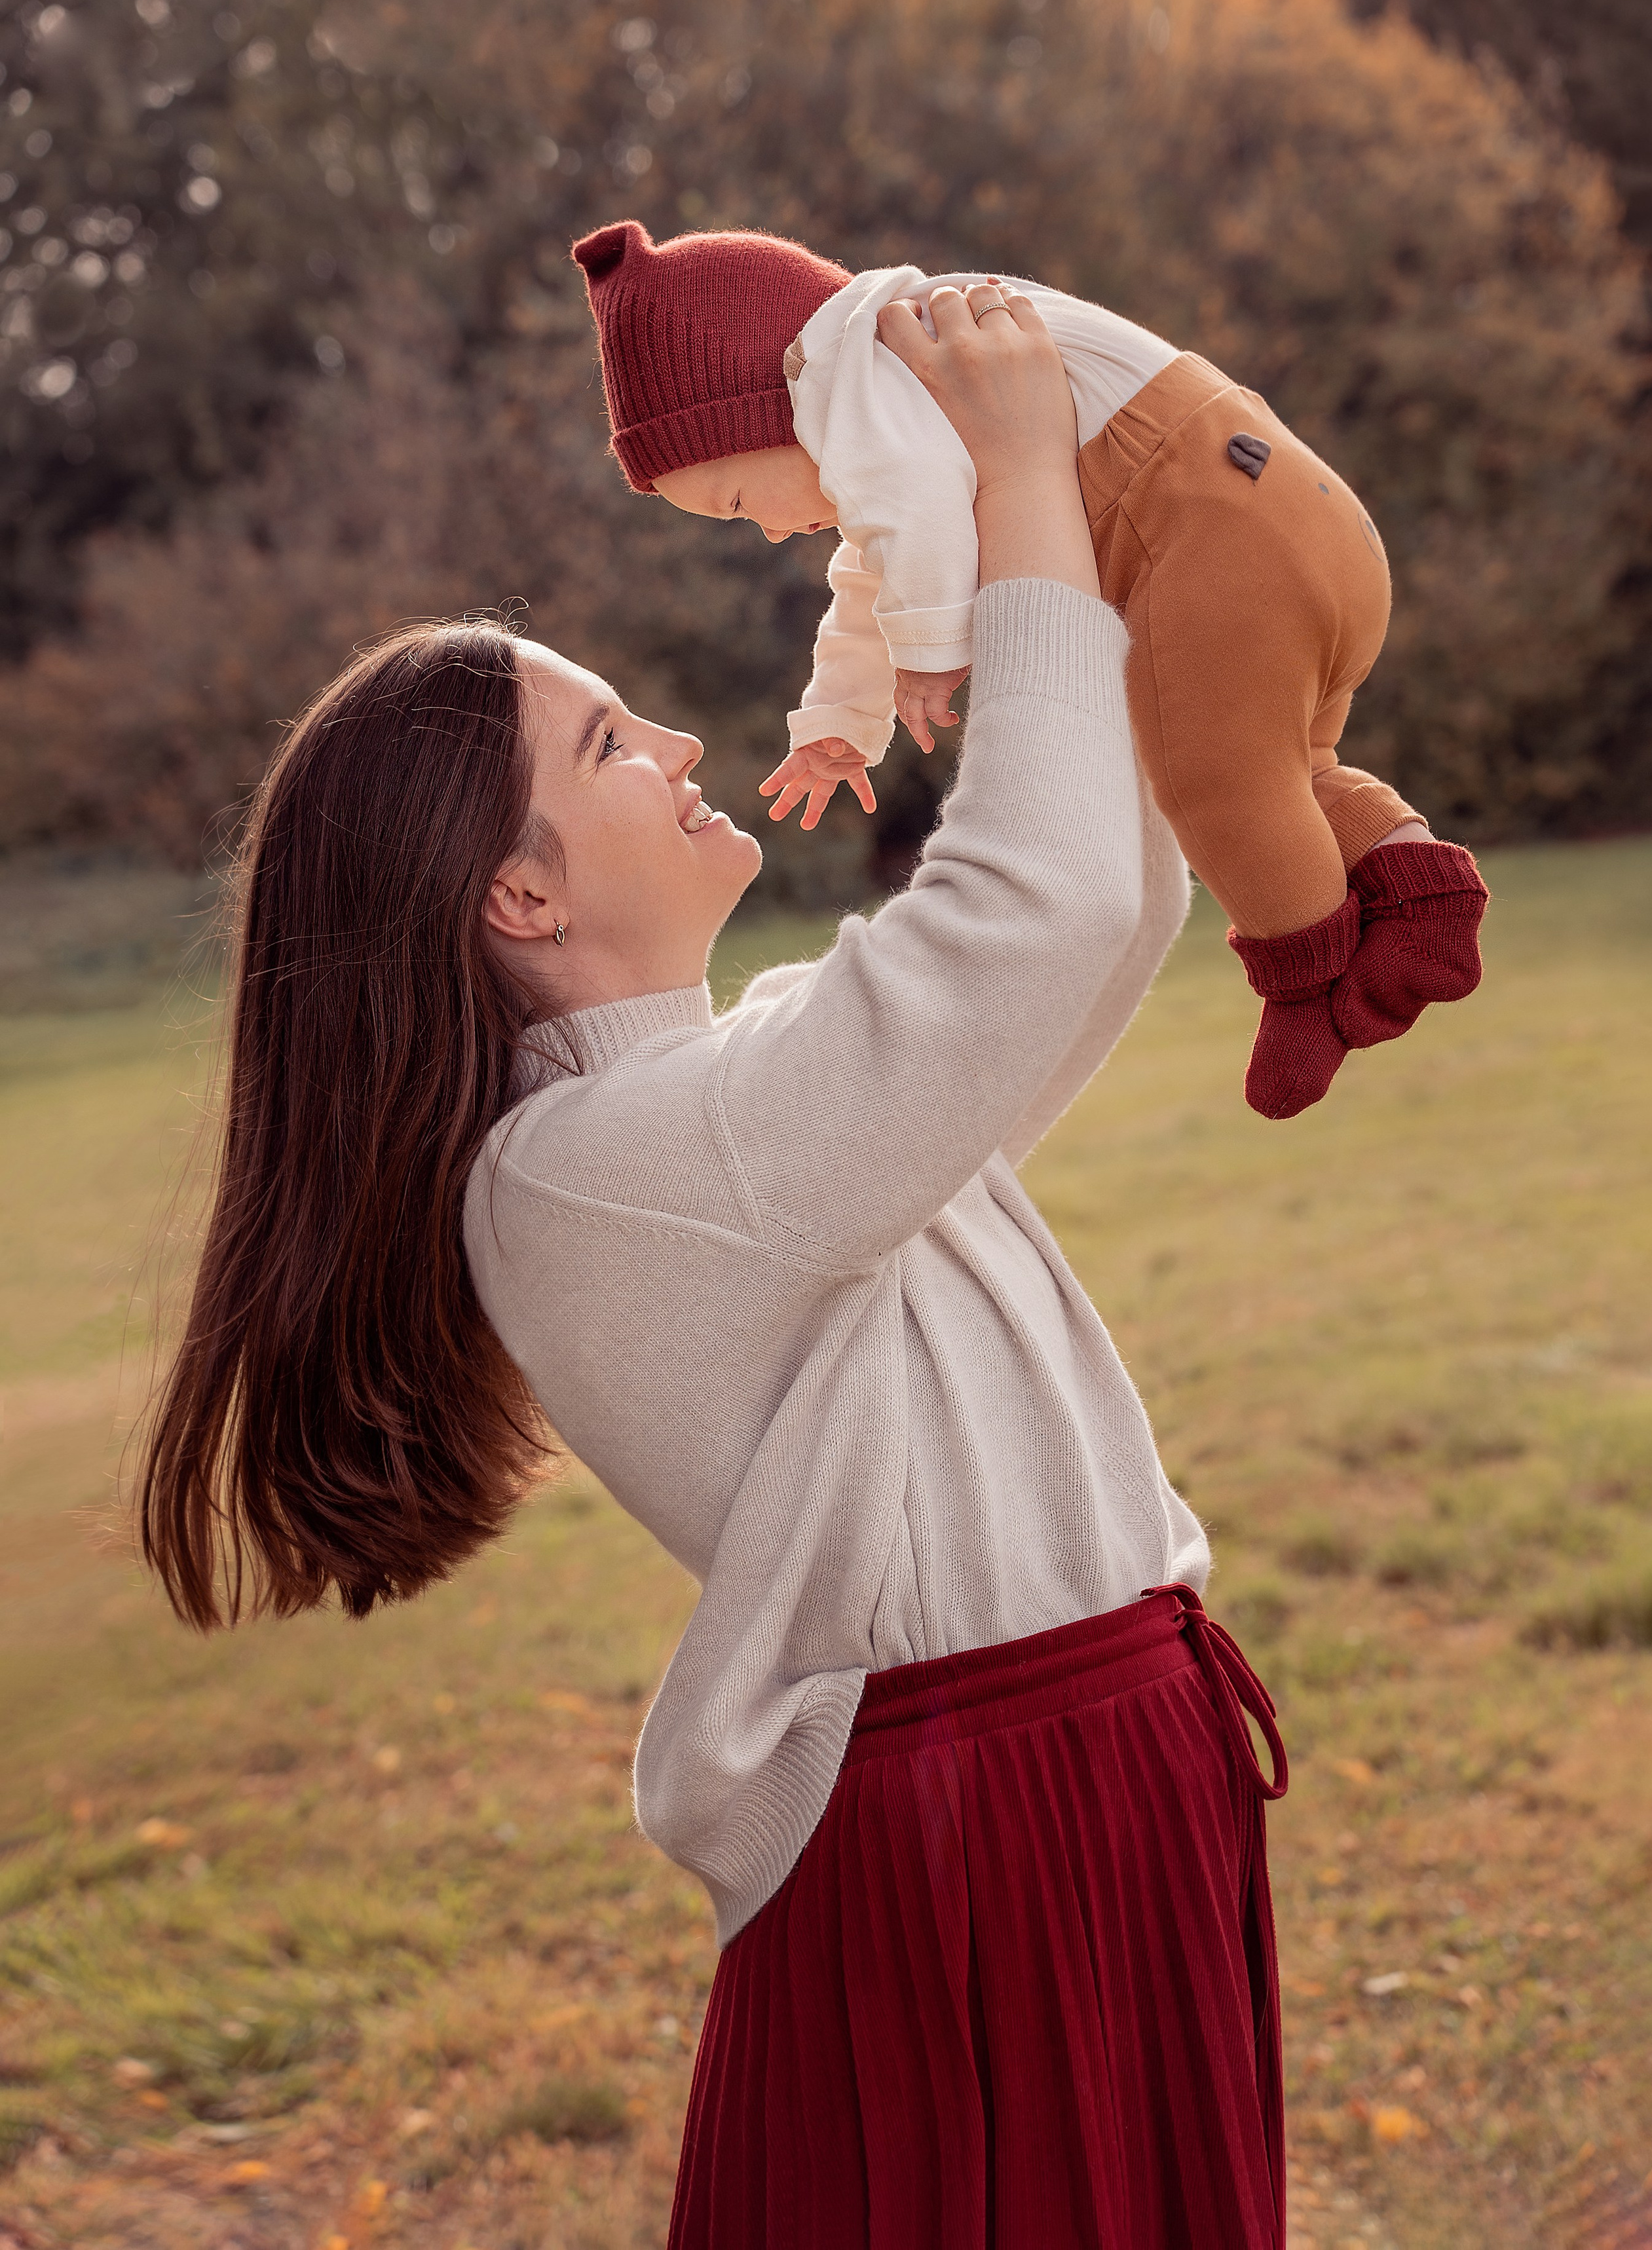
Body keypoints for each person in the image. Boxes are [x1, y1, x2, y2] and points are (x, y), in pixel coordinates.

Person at [141, 287, 1288, 2247]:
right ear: (520, 892)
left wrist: (1023, 615)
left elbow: (1103, 922)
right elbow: (1046, 906)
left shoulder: (708, 1099)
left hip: (1075, 1773)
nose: (671, 737)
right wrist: (1017, 482)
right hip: (989, 1822)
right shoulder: (605, 1167)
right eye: (605, 741)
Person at [572, 216, 1490, 1122]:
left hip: (1214, 529)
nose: (768, 530)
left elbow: (916, 524)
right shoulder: (898, 368)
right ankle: (1417, 890)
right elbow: (873, 564)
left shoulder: (866, 368)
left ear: (765, 397)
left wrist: (931, 661)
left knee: (1213, 783)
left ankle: (1306, 983)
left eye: (737, 502)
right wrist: (840, 724)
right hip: (1302, 519)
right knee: (1290, 768)